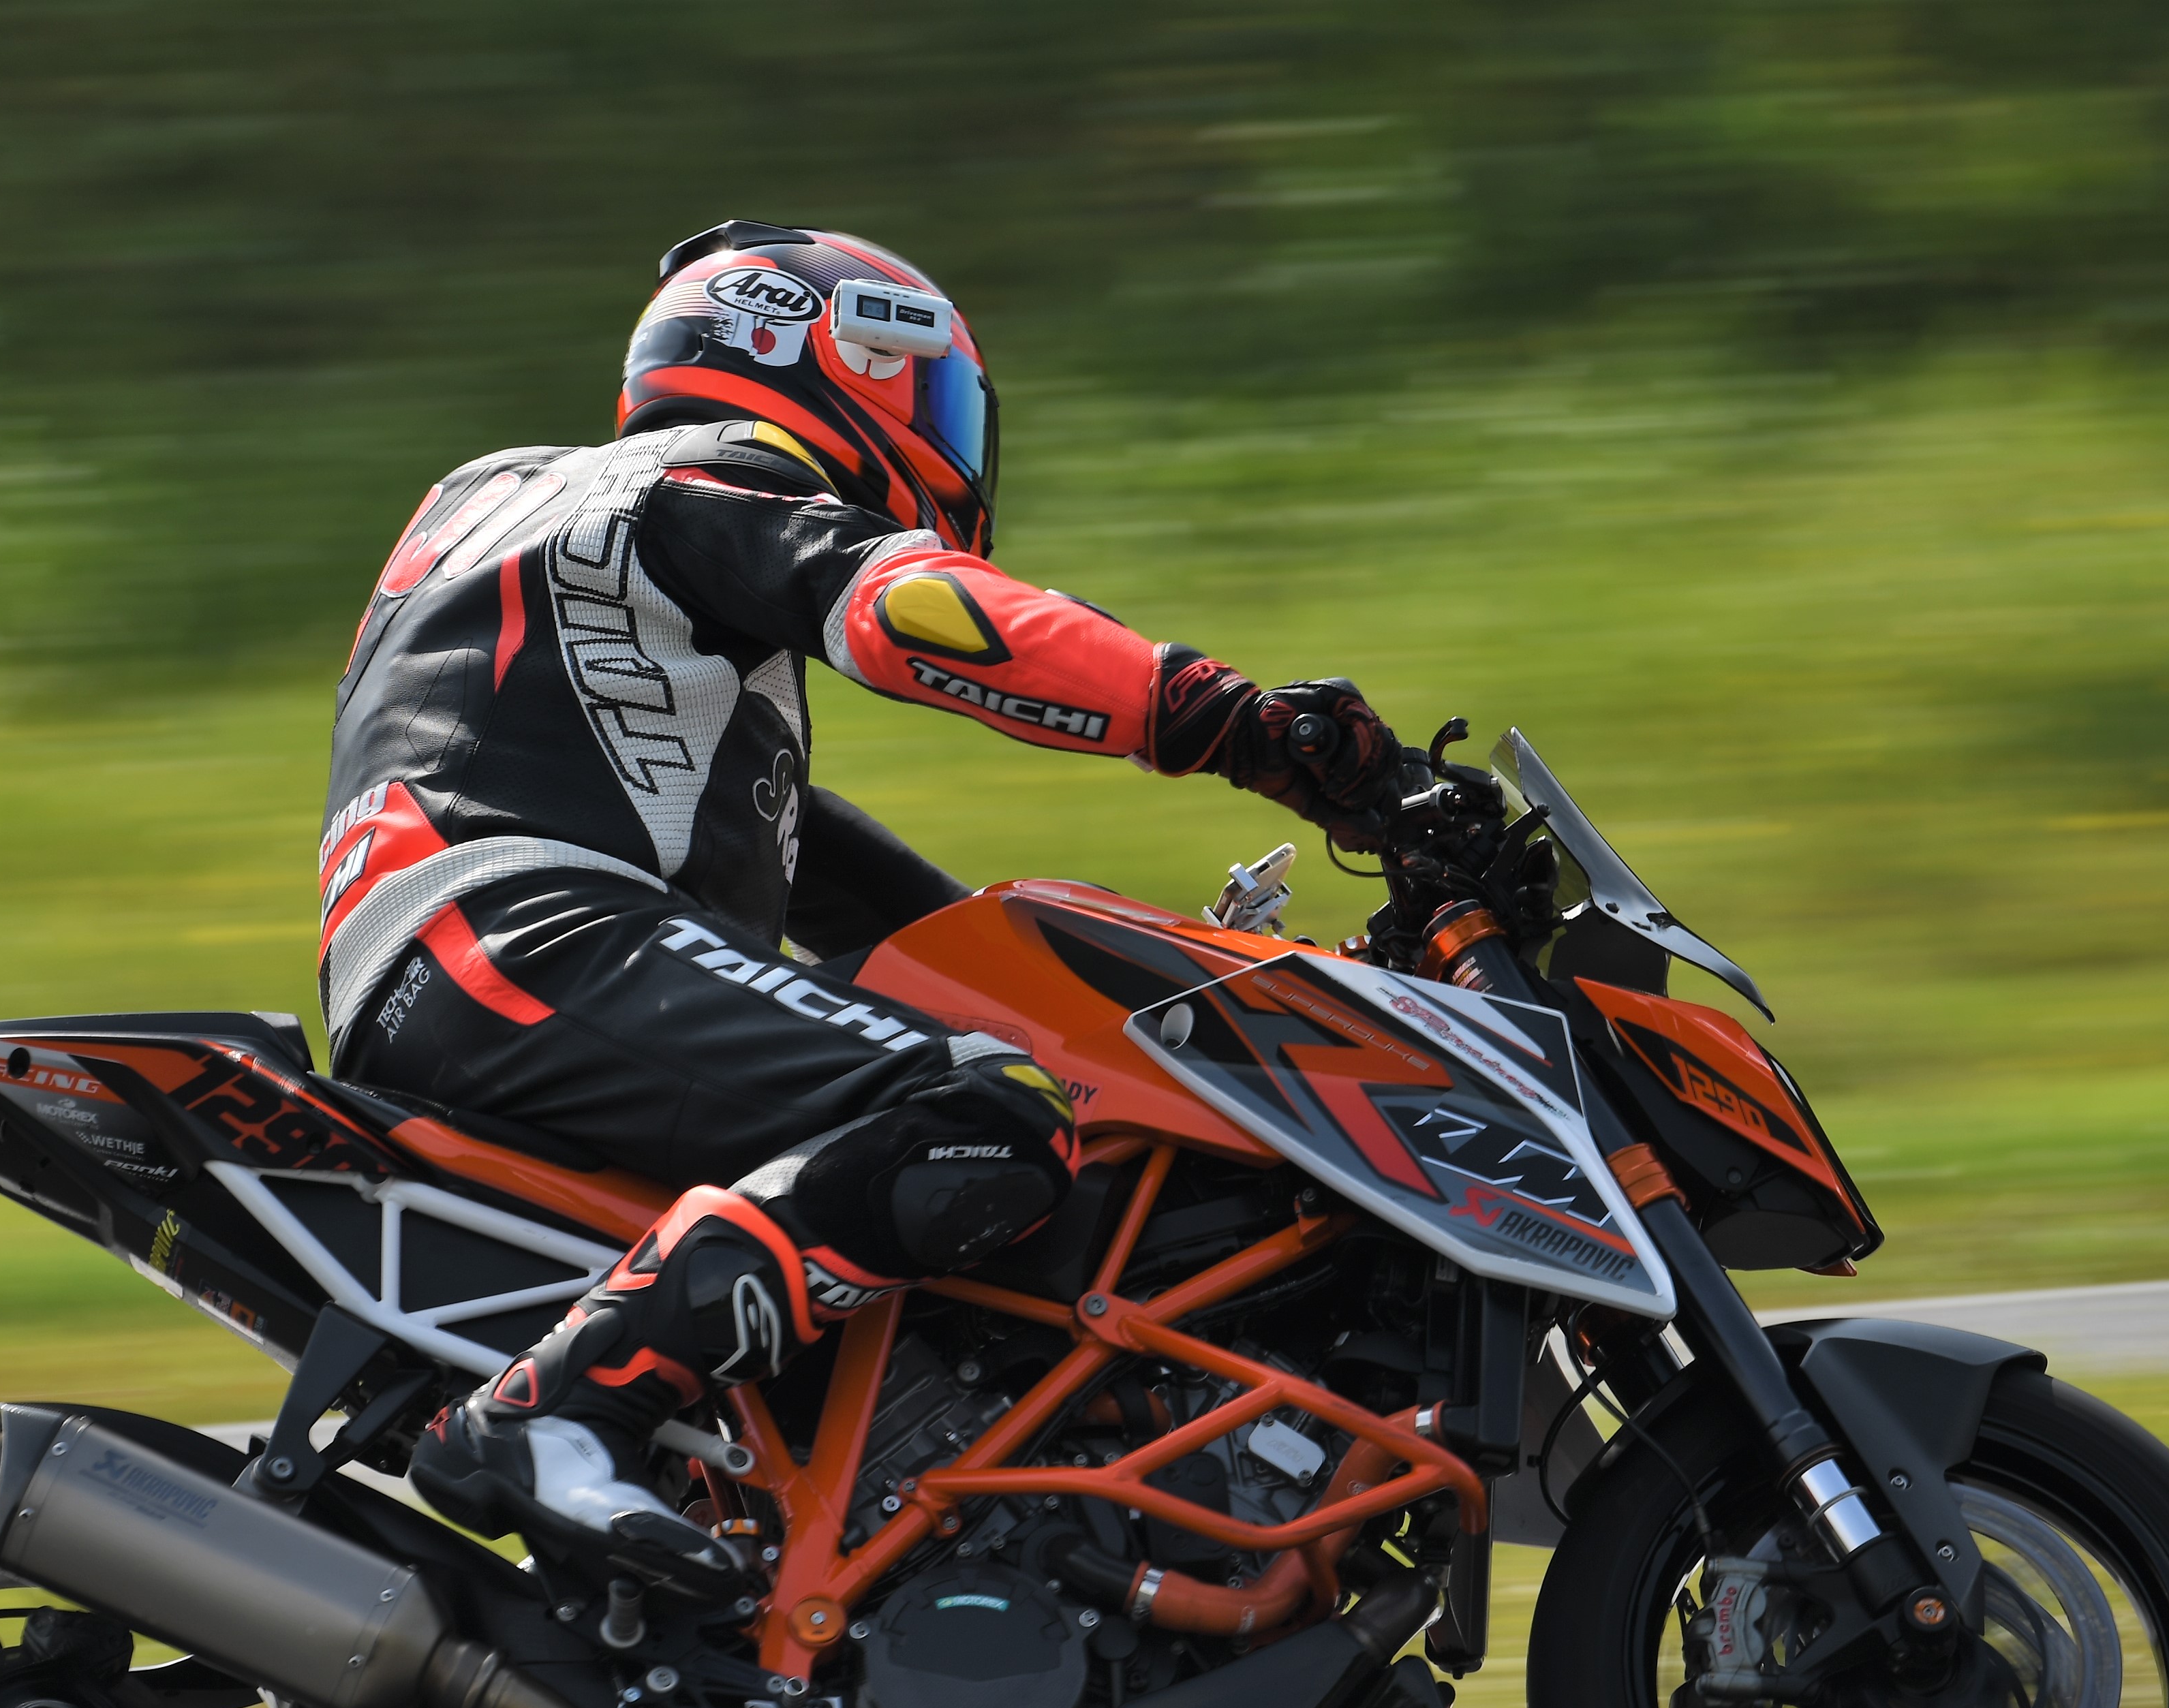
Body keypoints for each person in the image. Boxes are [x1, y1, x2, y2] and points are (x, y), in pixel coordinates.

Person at [319, 219, 1402, 1594]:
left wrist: (1115, 1003)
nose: (951, 443)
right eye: (936, 397)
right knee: (984, 1115)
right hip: (531, 942)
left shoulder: (538, 533)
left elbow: (850, 888)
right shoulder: (689, 484)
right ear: (824, 354)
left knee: (955, 1128)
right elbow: (915, 611)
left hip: (480, 960)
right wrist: (1223, 719)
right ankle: (552, 1415)